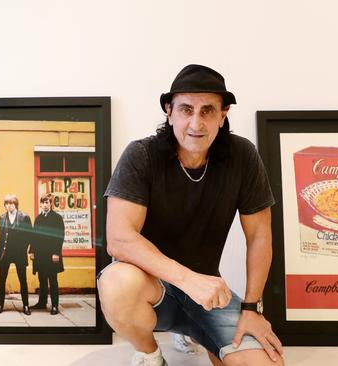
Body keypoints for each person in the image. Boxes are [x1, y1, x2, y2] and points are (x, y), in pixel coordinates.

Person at [97, 64, 284, 366]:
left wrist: (251, 309)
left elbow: (260, 235)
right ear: (169, 111)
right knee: (115, 282)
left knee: (264, 364)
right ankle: (148, 353)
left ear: (223, 115)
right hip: (150, 287)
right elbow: (119, 239)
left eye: (208, 111)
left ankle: (194, 330)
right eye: (186, 109)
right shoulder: (141, 156)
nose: (196, 123)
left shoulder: (242, 157)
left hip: (206, 296)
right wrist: (188, 280)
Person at [0, 194, 32, 315]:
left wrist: (24, 248)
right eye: (7, 204)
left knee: (23, 280)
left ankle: (26, 305)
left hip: (19, 253)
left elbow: (29, 235)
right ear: (4, 205)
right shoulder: (1, 218)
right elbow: (0, 237)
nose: (9, 206)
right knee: (2, 280)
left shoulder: (24, 217)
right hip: (5, 253)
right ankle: (0, 304)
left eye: (11, 203)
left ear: (16, 204)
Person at [30, 194, 65, 315]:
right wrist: (32, 251)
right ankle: (42, 302)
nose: (45, 205)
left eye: (47, 203)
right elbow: (34, 236)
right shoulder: (38, 218)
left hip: (51, 255)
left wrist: (56, 253)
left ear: (51, 204)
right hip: (40, 255)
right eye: (43, 203)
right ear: (40, 204)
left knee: (53, 280)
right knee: (42, 279)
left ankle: (55, 305)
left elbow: (59, 236)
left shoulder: (57, 218)